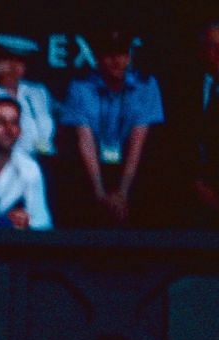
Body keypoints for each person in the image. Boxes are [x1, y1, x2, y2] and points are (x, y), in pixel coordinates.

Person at [60, 29, 164, 228]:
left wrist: (123, 192)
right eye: (110, 55)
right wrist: (100, 193)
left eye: (123, 55)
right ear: (98, 58)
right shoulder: (80, 87)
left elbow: (138, 142)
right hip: (92, 167)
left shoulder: (146, 85)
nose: (117, 61)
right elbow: (85, 142)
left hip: (132, 167)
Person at [0, 97, 50, 230]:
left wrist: (28, 221)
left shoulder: (30, 168)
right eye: (0, 122)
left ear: (20, 131)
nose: (9, 129)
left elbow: (43, 223)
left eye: (14, 123)